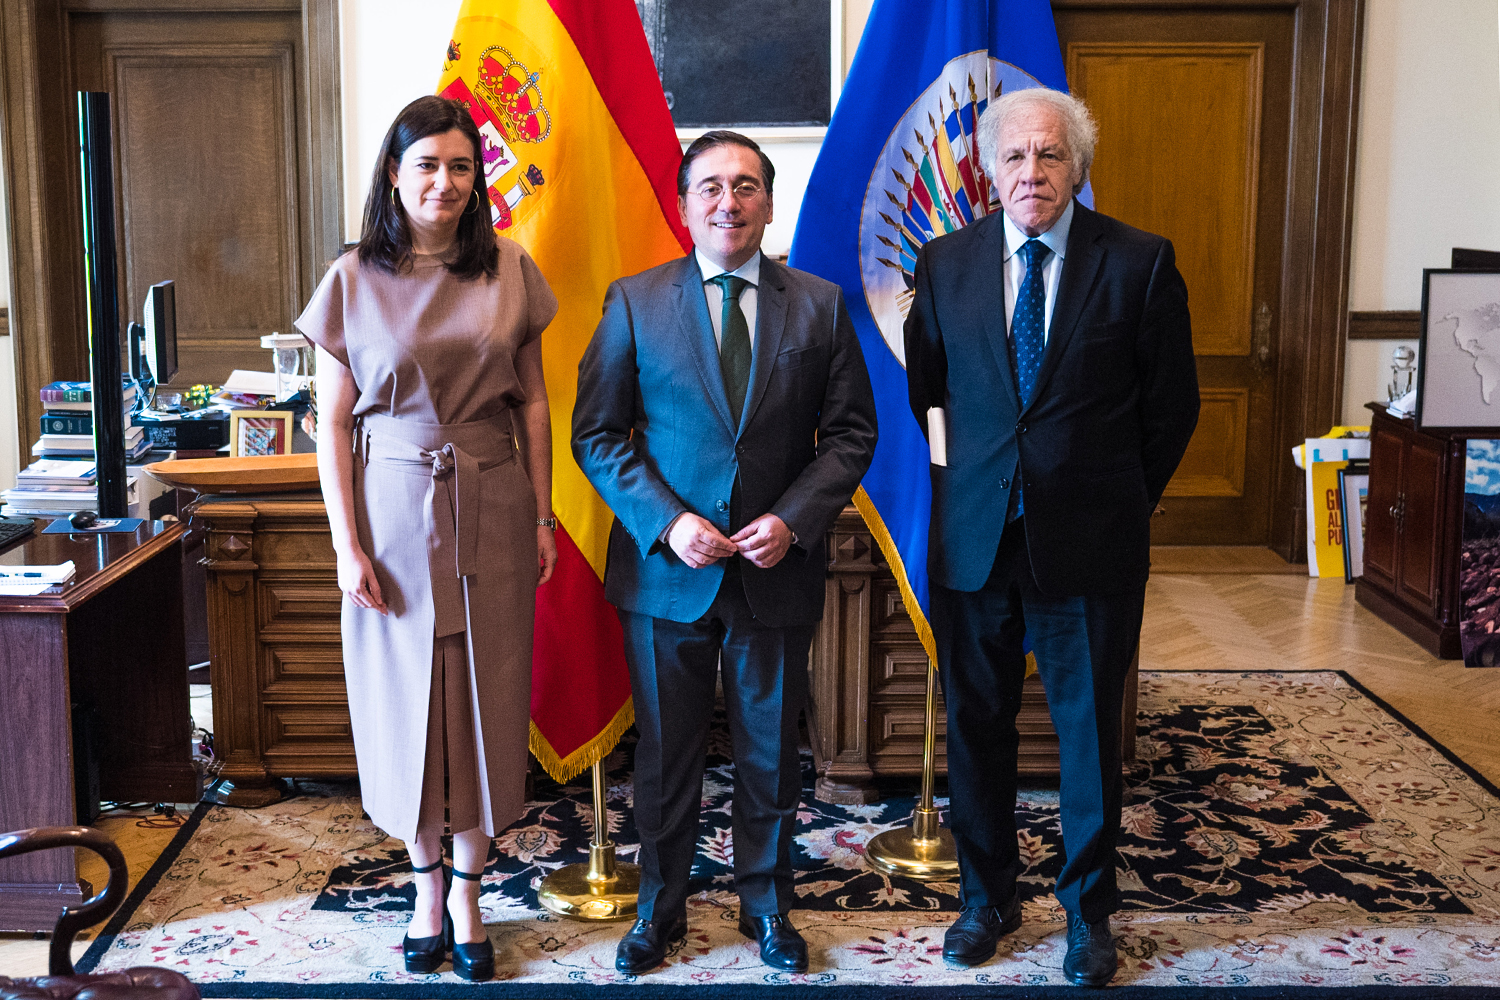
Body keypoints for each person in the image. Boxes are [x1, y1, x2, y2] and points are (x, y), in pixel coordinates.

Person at [904, 88, 1199, 987]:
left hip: (1093, 539)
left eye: (1050, 156)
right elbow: (932, 393)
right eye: (1016, 159)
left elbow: (1171, 408)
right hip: (977, 537)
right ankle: (986, 899)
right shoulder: (944, 261)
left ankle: (1088, 915)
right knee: (978, 727)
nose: (1032, 174)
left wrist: (1120, 495)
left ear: (1079, 166)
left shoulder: (1141, 263)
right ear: (990, 171)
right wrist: (970, 487)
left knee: (1086, 737)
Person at [572, 130, 878, 976]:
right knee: (667, 756)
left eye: (745, 186)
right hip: (670, 575)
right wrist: (667, 522)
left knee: (772, 751)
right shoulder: (636, 301)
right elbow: (596, 434)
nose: (728, 201)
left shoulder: (817, 304)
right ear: (684, 204)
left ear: (768, 204)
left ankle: (768, 908)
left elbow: (852, 435)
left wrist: (794, 519)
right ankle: (659, 912)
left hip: (775, 569)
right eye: (710, 186)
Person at [298, 94, 559, 984]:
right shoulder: (350, 278)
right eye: (426, 166)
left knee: (485, 697)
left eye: (459, 166)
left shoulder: (511, 268)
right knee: (408, 702)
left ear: (475, 177)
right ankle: (422, 884)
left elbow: (533, 401)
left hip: (492, 499)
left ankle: (471, 893)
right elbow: (329, 424)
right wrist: (346, 544)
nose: (443, 183)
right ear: (394, 175)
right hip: (391, 509)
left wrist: (545, 515)